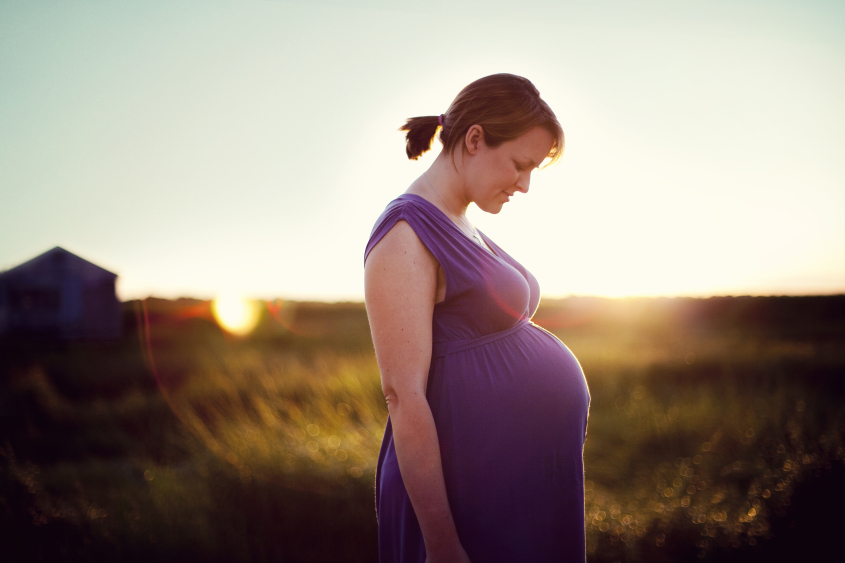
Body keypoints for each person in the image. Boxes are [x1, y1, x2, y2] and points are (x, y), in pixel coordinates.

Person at [363, 73, 590, 563]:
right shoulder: (405, 233)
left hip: (515, 486)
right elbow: (403, 397)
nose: (525, 185)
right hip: (466, 501)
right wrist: (442, 544)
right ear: (474, 139)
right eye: (519, 164)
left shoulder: (460, 220)